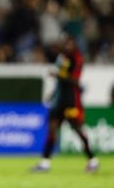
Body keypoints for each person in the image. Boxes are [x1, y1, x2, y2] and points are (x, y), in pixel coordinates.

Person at [32, 35, 98, 173]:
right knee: (52, 128)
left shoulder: (77, 58)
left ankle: (92, 160)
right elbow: (60, 79)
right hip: (59, 100)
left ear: (74, 44)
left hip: (71, 100)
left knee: (77, 129)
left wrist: (58, 76)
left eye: (69, 43)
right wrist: (53, 92)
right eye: (65, 43)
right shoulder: (62, 58)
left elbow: (75, 81)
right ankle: (45, 163)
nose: (66, 46)